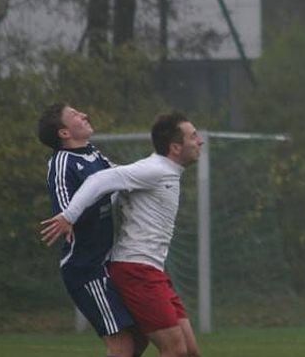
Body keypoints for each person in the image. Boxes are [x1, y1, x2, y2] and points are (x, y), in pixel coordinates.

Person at [41, 111, 205, 357]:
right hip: (136, 270)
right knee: (172, 349)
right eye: (193, 136)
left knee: (186, 350)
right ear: (175, 147)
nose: (200, 141)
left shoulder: (157, 170)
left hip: (152, 269)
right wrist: (69, 215)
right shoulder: (154, 169)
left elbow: (114, 178)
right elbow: (99, 180)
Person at [37, 103, 146, 357]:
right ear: (64, 133)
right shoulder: (62, 163)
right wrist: (71, 215)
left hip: (108, 263)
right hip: (86, 268)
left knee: (140, 336)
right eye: (75, 114)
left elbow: (118, 178)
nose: (84, 114)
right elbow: (67, 213)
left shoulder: (94, 155)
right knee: (121, 344)